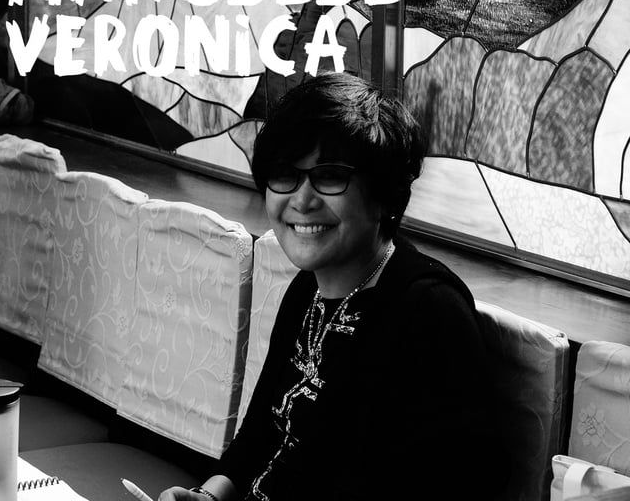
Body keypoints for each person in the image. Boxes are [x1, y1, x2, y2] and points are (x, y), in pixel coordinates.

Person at [159, 73, 505, 501]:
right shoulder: (307, 289)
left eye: (330, 176)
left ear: (384, 193)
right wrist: (207, 496)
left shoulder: (429, 312)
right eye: (285, 174)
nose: (302, 200)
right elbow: (259, 437)